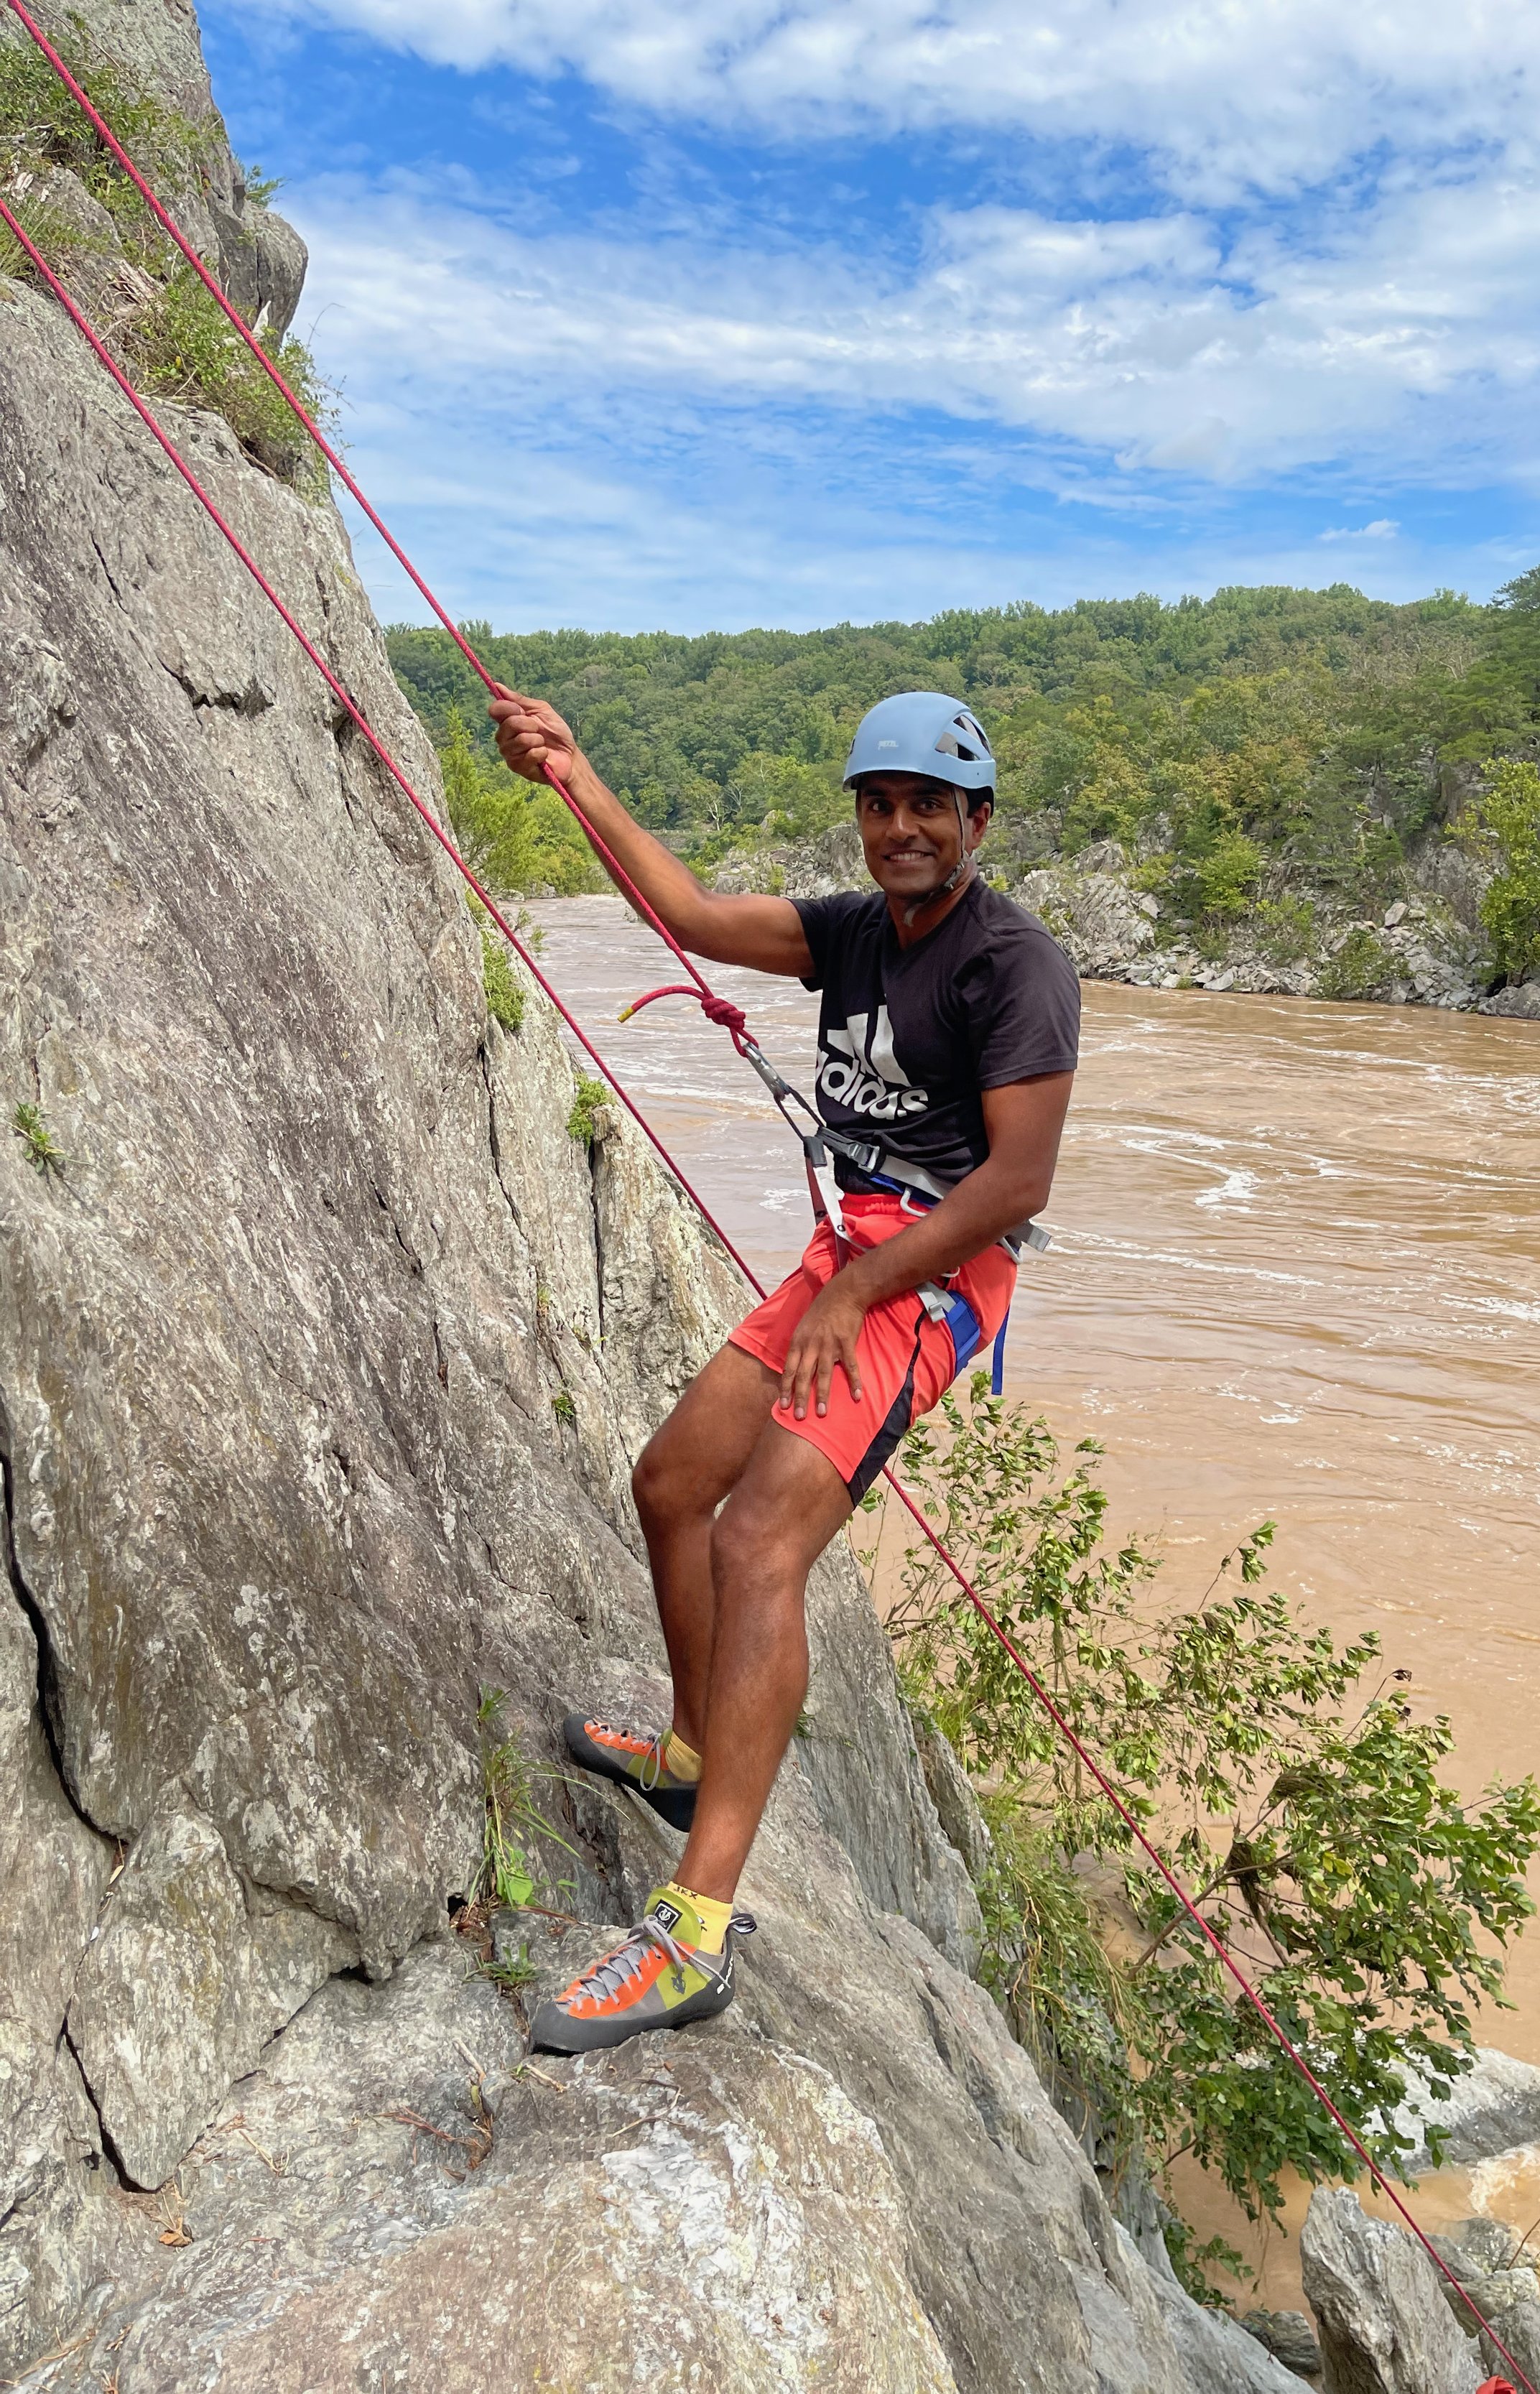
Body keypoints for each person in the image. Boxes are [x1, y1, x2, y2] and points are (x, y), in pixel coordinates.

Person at [485, 684, 1081, 2052]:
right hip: (848, 1260)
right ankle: (692, 1752)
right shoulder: (856, 933)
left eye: (931, 805)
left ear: (977, 819)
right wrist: (573, 772)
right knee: (670, 1479)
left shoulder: (1012, 965)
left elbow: (1019, 1179)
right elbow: (689, 918)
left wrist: (864, 1287)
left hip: (924, 1283)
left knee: (759, 1539)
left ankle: (694, 1930)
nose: (901, 828)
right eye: (880, 805)